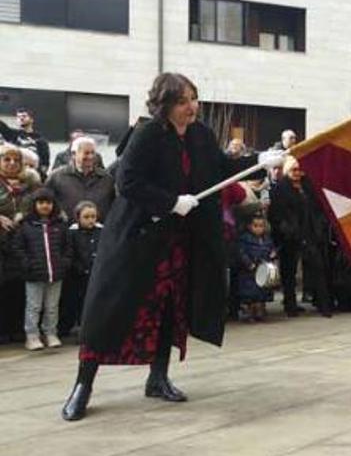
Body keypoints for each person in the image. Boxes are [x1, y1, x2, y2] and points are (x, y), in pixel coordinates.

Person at [60, 73, 279, 421]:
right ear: (165, 105)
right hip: (136, 238)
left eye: (193, 98)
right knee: (108, 310)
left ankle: (158, 378)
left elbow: (221, 167)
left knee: (167, 308)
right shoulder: (148, 134)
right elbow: (127, 180)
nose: (191, 107)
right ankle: (83, 386)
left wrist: (260, 160)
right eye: (182, 101)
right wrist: (169, 202)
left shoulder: (201, 135)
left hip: (177, 243)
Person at [268, 156, 333, 317]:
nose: (298, 173)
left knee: (317, 267)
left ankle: (324, 305)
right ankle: (290, 305)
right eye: (294, 170)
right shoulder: (279, 189)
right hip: (289, 236)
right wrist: (287, 231)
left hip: (310, 233)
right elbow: (276, 214)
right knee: (289, 271)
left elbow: (318, 208)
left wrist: (320, 226)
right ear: (287, 170)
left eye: (300, 170)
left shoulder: (308, 186)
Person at [13, 188, 71, 350]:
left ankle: (51, 333)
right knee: (34, 306)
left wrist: (64, 262)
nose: (45, 206)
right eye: (41, 203)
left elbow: (68, 247)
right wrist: (27, 263)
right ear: (34, 205)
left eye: (48, 203)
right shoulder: (26, 226)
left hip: (56, 273)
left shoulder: (60, 225)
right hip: (34, 274)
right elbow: (18, 248)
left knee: (52, 306)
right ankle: (32, 336)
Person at [0, 144, 41, 343]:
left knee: (18, 288)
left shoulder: (32, 183)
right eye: (6, 159)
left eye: (16, 159)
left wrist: (24, 215)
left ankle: (17, 329)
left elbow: (43, 204)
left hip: (23, 243)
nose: (12, 163)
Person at [46, 135, 116, 222]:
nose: (90, 157)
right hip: (66, 230)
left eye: (93, 153)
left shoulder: (107, 179)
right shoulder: (57, 177)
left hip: (98, 231)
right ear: (74, 154)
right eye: (86, 153)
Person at [59, 201, 102, 338]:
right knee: (78, 303)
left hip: (96, 275)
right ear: (78, 218)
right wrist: (79, 267)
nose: (91, 220)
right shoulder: (72, 233)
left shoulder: (101, 231)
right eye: (86, 217)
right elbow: (70, 252)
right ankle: (80, 329)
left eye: (93, 216)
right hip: (78, 276)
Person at [237, 214, 276, 322]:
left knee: (261, 292)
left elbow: (271, 250)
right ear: (250, 226)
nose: (258, 229)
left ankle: (260, 311)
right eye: (255, 226)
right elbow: (241, 253)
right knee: (250, 293)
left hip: (263, 268)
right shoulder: (245, 239)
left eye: (261, 226)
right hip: (250, 269)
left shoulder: (267, 239)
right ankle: (249, 311)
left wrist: (273, 254)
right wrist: (249, 263)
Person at [0, 108, 51, 178]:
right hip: (13, 170)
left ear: (31, 119)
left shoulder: (40, 140)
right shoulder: (13, 134)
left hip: (32, 172)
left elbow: (45, 164)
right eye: (18, 117)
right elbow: (2, 126)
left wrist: (38, 175)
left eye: (24, 116)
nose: (21, 118)